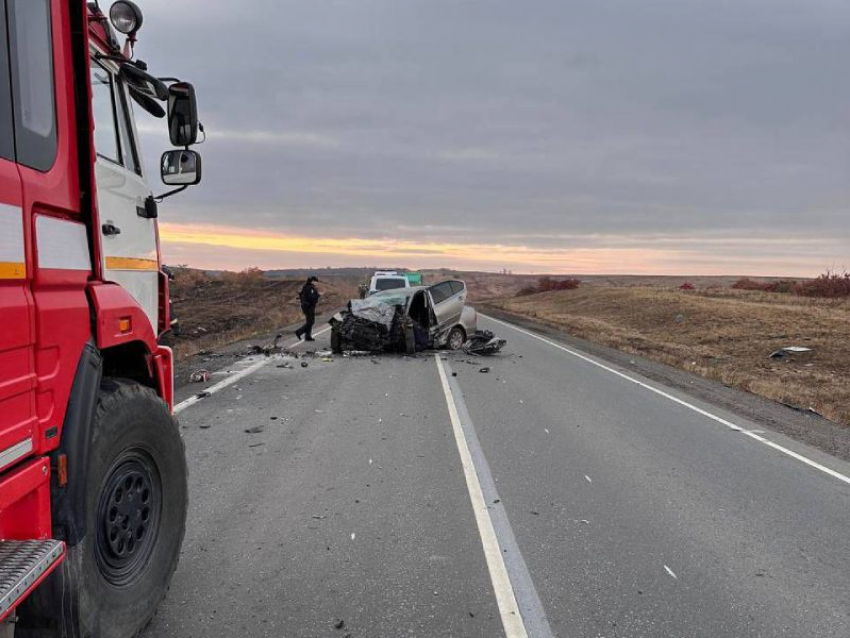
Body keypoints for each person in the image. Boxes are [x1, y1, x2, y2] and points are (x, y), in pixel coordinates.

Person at [295, 276, 321, 341]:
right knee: (311, 321)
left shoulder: (306, 287)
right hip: (309, 306)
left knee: (309, 321)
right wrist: (318, 295)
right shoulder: (311, 288)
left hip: (305, 306)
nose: (317, 283)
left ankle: (308, 336)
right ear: (312, 281)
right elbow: (311, 298)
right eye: (316, 281)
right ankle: (299, 332)